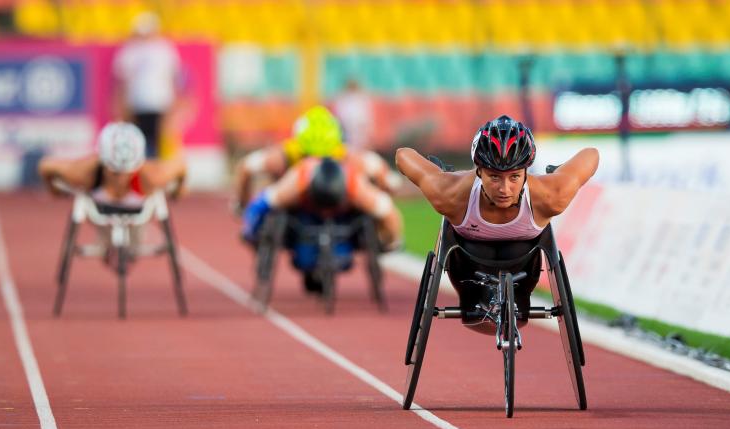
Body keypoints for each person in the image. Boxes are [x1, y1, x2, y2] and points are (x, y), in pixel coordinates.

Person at [395, 114, 599, 332]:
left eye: (514, 177)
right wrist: (439, 175)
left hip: (522, 272)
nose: (504, 189)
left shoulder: (551, 195)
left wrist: (560, 175)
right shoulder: (450, 194)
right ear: (479, 172)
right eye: (494, 177)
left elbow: (592, 154)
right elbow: (402, 155)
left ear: (526, 173)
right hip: (468, 275)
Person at [242, 155, 403, 292]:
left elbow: (389, 213)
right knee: (304, 259)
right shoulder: (296, 183)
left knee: (343, 260)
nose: (326, 212)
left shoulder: (355, 186)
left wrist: (388, 242)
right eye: (322, 206)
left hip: (343, 220)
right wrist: (252, 233)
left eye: (330, 206)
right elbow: (258, 206)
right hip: (305, 218)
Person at [232, 105, 400, 213]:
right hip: (299, 200)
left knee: (266, 202)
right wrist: (388, 186)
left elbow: (247, 166)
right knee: (383, 207)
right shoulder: (343, 153)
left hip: (310, 198)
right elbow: (378, 168)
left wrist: (242, 204)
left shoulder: (287, 153)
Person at [38, 122, 187, 209]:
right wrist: (55, 191)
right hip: (100, 210)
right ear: (103, 163)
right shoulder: (84, 172)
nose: (121, 178)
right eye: (115, 172)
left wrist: (178, 191)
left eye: (128, 171)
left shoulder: (152, 176)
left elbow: (181, 167)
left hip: (136, 210)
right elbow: (45, 166)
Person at [111, 11, 186, 159]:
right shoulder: (131, 50)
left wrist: (174, 104)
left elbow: (173, 78)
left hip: (159, 102)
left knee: (157, 140)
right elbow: (123, 81)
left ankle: (154, 170)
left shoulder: (164, 49)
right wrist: (122, 104)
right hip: (137, 103)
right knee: (138, 140)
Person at [333, 78, 374, 150]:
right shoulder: (343, 100)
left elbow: (365, 120)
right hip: (348, 134)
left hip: (358, 133)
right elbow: (341, 119)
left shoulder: (362, 99)